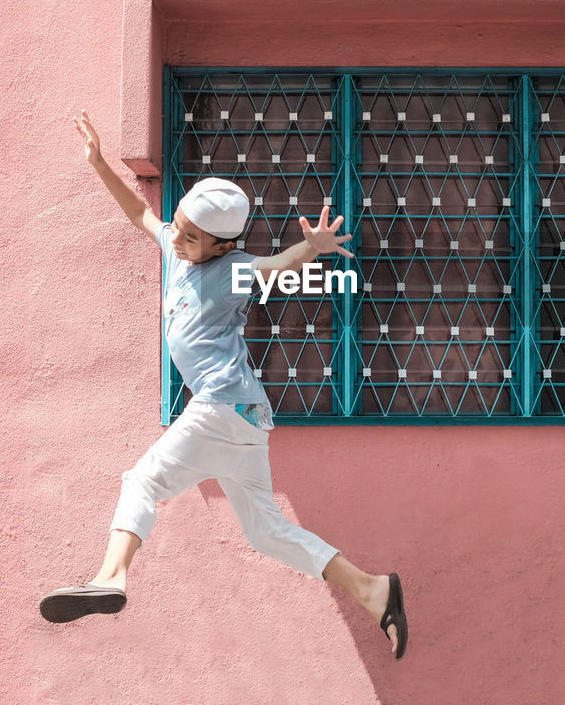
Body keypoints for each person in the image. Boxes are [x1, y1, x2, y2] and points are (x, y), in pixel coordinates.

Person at [39, 111, 408, 660]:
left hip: (220, 406)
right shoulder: (178, 249)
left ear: (220, 245)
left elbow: (276, 265)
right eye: (181, 228)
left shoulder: (230, 270)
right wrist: (97, 164)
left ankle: (111, 579)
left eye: (192, 237)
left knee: (141, 482)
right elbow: (140, 211)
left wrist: (312, 248)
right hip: (245, 419)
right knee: (265, 532)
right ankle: (374, 590)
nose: (180, 239)